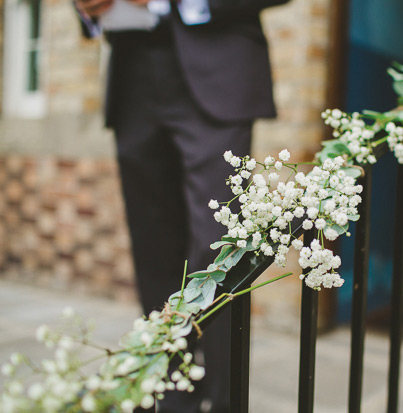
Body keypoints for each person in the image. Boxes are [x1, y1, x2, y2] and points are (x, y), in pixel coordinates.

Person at [74, 0, 289, 411]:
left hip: (219, 73)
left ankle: (227, 399)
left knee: (219, 249)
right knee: (152, 246)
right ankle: (171, 396)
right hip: (132, 77)